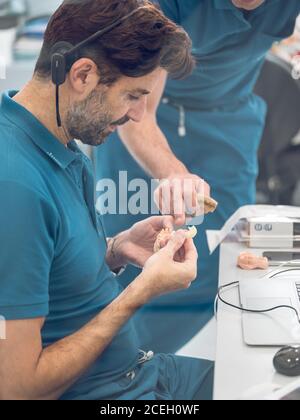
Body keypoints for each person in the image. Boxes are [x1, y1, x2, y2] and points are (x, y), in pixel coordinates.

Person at [0, 0, 214, 400]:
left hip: (139, 373)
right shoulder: (14, 187)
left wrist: (116, 249)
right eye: (133, 95)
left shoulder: (56, 139)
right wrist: (140, 292)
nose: (138, 115)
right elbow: (16, 388)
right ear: (82, 74)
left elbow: (50, 273)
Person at [94, 0, 300, 354]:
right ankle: (117, 369)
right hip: (145, 123)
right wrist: (173, 174)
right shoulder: (168, 4)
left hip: (228, 125)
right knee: (133, 254)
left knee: (225, 256)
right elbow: (136, 111)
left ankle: (187, 363)